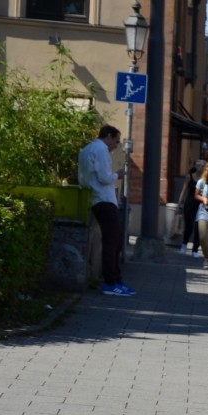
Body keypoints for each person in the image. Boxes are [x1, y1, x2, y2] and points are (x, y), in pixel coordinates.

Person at [77, 125, 135, 297]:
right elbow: (104, 177)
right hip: (104, 199)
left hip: (95, 198)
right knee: (113, 241)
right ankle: (111, 282)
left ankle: (115, 280)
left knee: (113, 240)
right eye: (116, 141)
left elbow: (82, 177)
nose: (116, 146)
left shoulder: (86, 149)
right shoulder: (101, 150)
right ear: (108, 136)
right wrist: (117, 175)